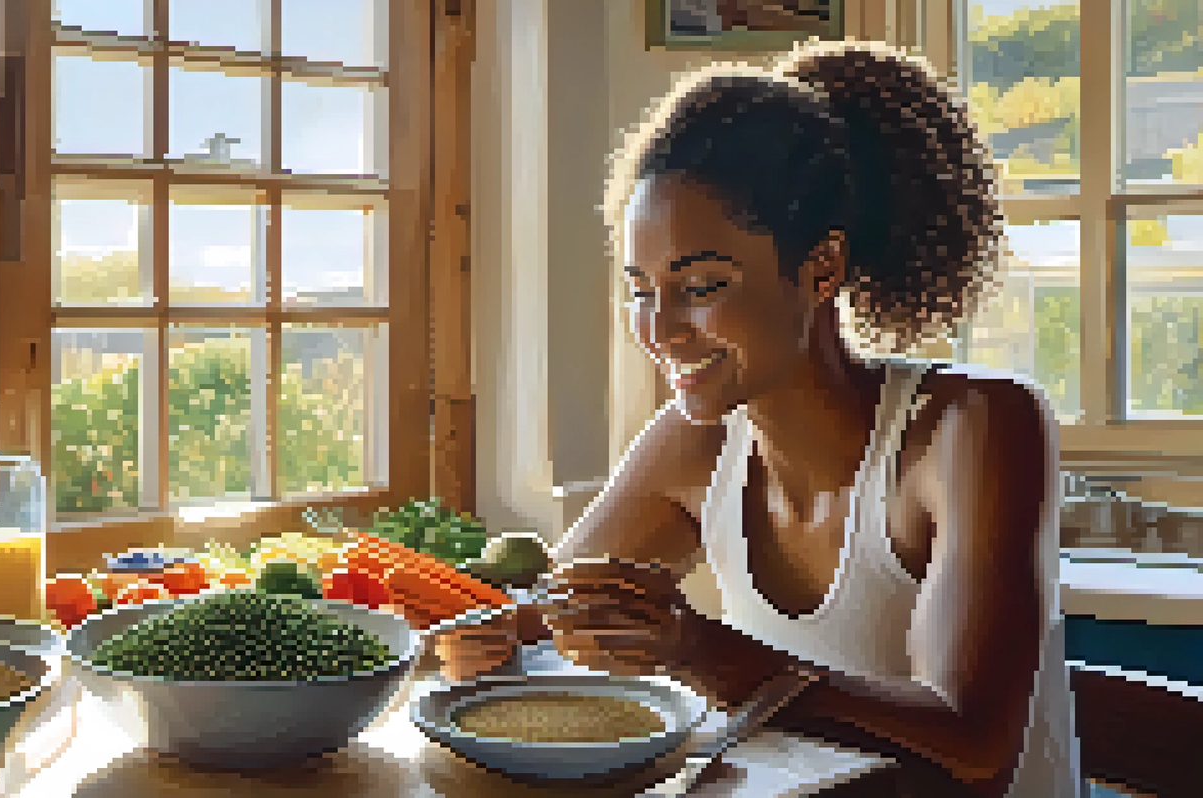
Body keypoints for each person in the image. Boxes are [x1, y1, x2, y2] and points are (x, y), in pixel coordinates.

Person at [446, 40, 1079, 797]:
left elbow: (975, 749)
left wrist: (699, 652)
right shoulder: (696, 441)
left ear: (822, 268)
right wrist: (491, 638)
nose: (661, 328)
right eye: (641, 289)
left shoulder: (971, 429)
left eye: (703, 284)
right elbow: (554, 612)